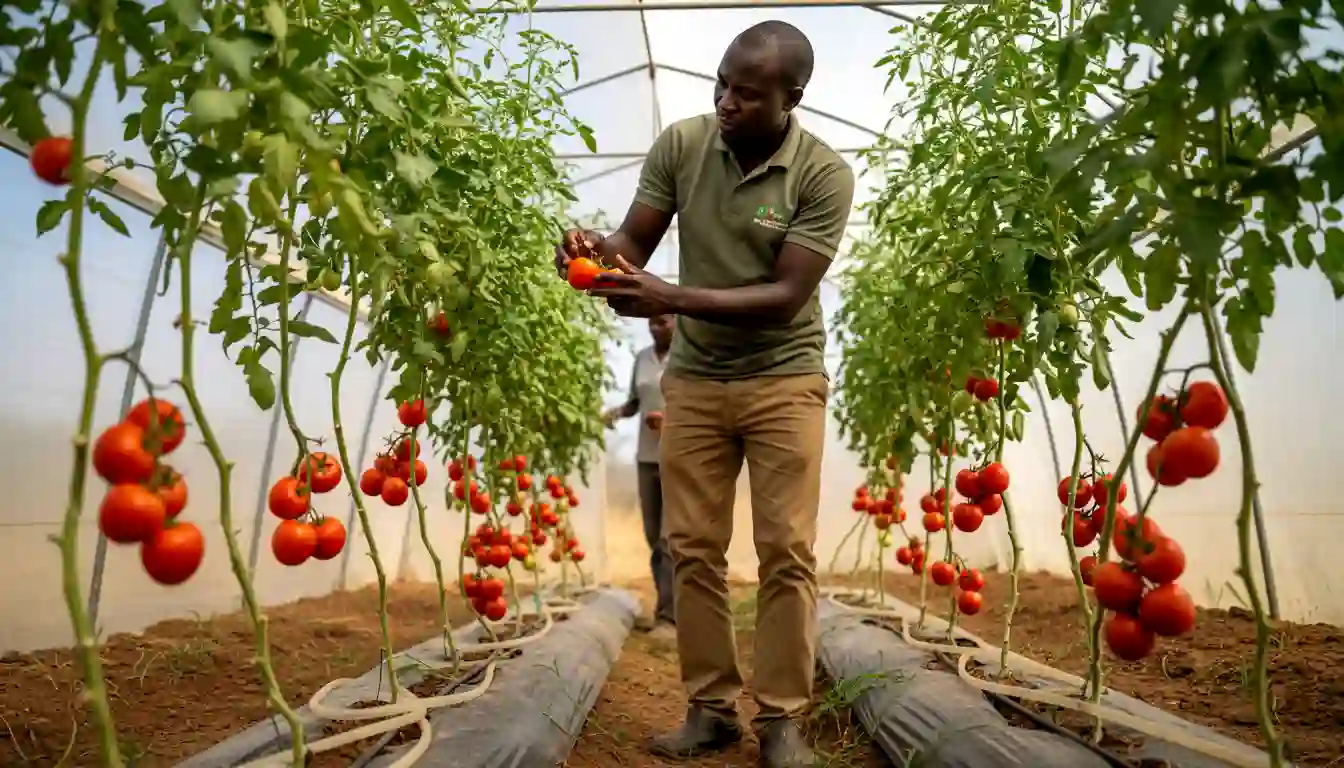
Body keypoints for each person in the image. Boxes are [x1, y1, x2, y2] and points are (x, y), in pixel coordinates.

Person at [554, 20, 855, 768]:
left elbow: (786, 295)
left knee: (786, 550)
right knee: (692, 549)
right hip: (696, 378)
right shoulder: (684, 146)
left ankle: (782, 719)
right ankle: (710, 708)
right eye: (720, 84)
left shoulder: (822, 174)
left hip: (785, 376)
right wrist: (595, 255)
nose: (725, 101)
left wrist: (671, 297)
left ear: (793, 99)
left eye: (747, 94)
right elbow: (634, 245)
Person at [602, 314, 677, 639]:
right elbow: (637, 400)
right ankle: (667, 607)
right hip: (646, 457)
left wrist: (671, 419)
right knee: (651, 536)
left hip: (679, 457)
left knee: (668, 538)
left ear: (677, 321)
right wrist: (617, 412)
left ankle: (669, 617)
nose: (655, 327)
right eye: (652, 323)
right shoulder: (642, 358)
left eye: (662, 321)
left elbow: (703, 403)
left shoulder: (691, 357)